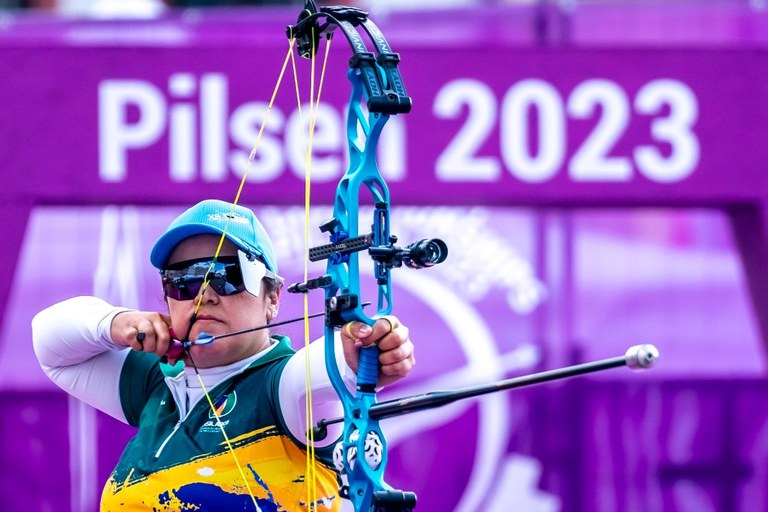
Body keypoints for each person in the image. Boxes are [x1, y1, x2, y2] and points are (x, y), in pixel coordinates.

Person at [32, 199, 415, 511]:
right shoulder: (157, 384)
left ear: (273, 299)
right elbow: (51, 346)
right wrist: (118, 322)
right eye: (183, 281)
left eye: (227, 275)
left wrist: (364, 350)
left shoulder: (279, 390)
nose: (204, 295)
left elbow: (329, 368)